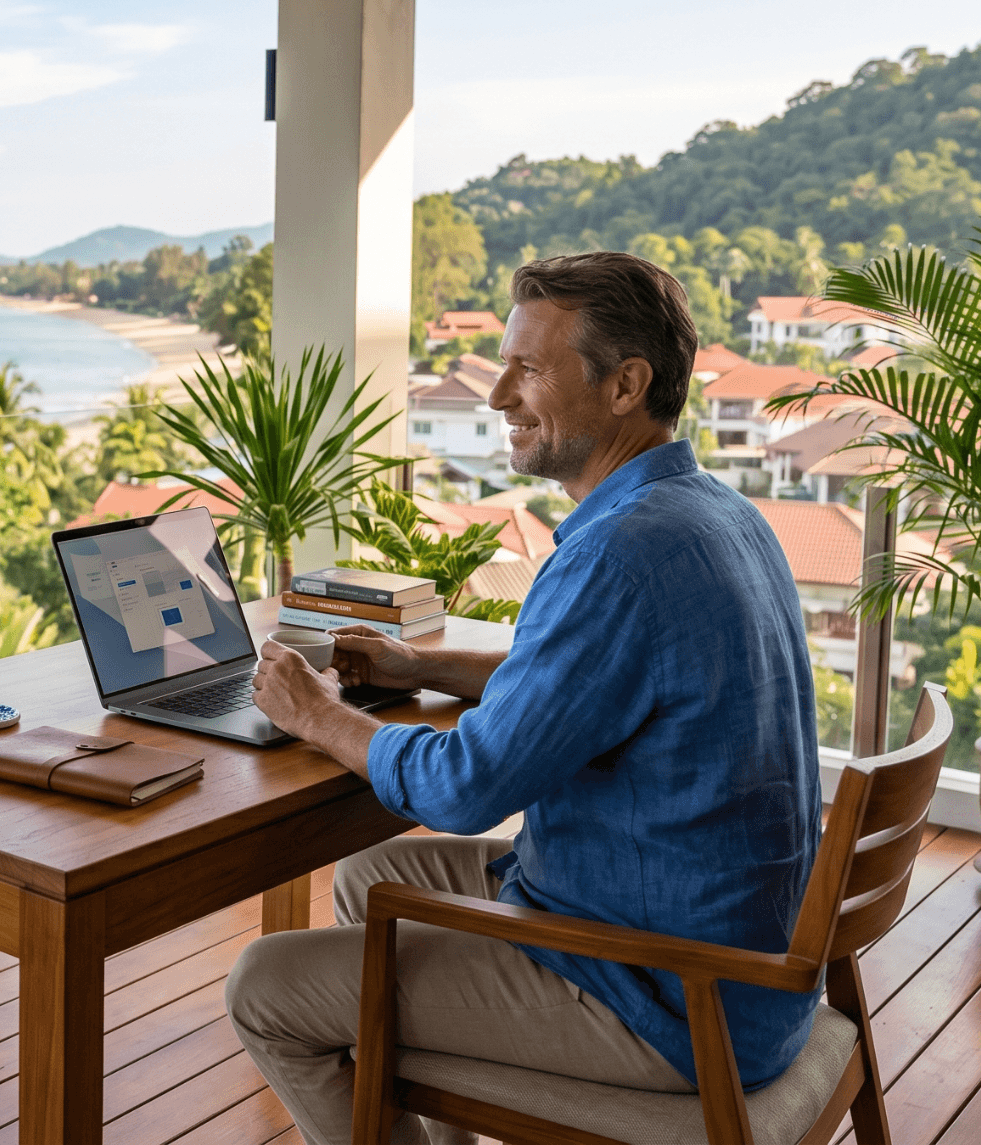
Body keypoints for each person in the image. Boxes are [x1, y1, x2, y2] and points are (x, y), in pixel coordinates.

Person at [231, 251, 821, 1145]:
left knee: (264, 988)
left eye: (529, 369)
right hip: (728, 952)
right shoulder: (713, 514)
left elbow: (464, 791)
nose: (498, 394)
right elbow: (588, 685)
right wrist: (418, 668)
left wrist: (317, 714)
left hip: (668, 991)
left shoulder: (614, 557)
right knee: (370, 874)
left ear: (627, 384)